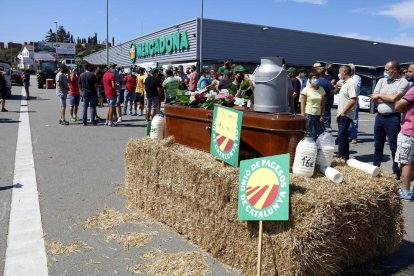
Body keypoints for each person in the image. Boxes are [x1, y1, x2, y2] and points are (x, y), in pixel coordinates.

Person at [371, 60, 409, 180]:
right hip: (380, 117)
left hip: (393, 118)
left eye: (387, 70)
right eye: (385, 69)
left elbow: (395, 97)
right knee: (378, 144)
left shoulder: (403, 82)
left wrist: (382, 96)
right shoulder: (381, 80)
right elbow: (374, 98)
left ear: (395, 70)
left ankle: (396, 171)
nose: (385, 72)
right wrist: (388, 98)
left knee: (394, 146)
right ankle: (375, 167)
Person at [395, 86, 414, 201]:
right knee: (412, 161)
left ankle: (405, 191)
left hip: (409, 132)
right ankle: (408, 188)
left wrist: (398, 99)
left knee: (405, 163)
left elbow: (398, 106)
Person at [336, 65, 358, 161]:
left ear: (344, 72)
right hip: (341, 114)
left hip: (346, 114)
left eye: (340, 72)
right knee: (342, 135)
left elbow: (353, 100)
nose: (339, 74)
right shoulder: (345, 83)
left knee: (342, 135)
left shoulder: (351, 83)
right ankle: (342, 155)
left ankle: (343, 156)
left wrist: (343, 112)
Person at [300, 71, 326, 140]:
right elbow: (302, 103)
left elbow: (323, 103)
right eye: (314, 78)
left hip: (318, 114)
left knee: (319, 133)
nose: (316, 79)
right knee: (308, 132)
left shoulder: (321, 89)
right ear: (310, 79)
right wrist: (303, 115)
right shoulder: (306, 89)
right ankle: (309, 147)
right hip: (309, 114)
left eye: (317, 78)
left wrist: (322, 115)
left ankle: (316, 147)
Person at [348, 64, 362, 144]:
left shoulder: (357, 77)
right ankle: (347, 135)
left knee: (354, 120)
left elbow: (355, 88)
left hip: (353, 100)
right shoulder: (345, 78)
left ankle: (353, 137)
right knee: (345, 119)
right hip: (345, 100)